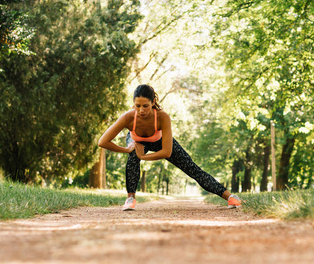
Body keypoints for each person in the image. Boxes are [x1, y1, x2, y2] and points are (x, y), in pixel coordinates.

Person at [98, 84, 242, 211]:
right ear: (133, 104)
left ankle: (231, 197)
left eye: (145, 106)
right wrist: (128, 150)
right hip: (136, 141)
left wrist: (144, 156)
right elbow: (102, 142)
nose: (141, 110)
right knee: (133, 157)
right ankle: (130, 198)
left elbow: (167, 152)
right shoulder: (128, 117)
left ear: (153, 102)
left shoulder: (162, 117)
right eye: (137, 106)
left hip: (160, 142)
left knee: (191, 167)